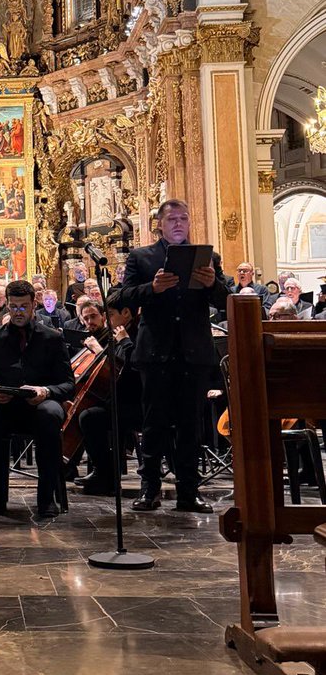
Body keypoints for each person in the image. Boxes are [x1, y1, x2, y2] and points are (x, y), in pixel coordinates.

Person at [120, 198, 229, 513]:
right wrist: (151, 289)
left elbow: (225, 301)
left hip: (193, 352)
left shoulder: (208, 258)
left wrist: (213, 285)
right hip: (156, 351)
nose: (179, 223)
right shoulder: (141, 258)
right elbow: (122, 296)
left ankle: (188, 493)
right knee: (154, 423)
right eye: (172, 219)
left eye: (184, 218)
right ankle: (149, 489)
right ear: (160, 224)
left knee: (190, 425)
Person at [0, 279, 75, 517]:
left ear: (33, 305)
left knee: (50, 413)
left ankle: (47, 498)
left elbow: (69, 384)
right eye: (14, 307)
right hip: (5, 407)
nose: (18, 312)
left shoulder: (52, 338)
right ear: (7, 306)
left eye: (24, 307)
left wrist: (45, 392)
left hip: (40, 406)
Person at [77, 289, 143, 496]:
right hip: (121, 400)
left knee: (90, 417)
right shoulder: (118, 334)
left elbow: (131, 369)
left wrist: (124, 341)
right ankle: (103, 473)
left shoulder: (138, 333)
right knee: (88, 415)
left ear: (126, 313)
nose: (108, 320)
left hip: (139, 404)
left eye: (110, 315)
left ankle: (105, 474)